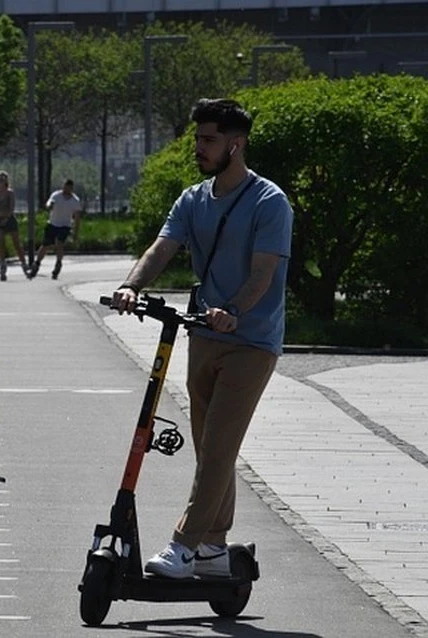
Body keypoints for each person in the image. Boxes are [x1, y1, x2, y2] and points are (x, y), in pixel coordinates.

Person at [111, 98, 293, 579]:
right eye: (197, 139)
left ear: (237, 144)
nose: (199, 148)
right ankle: (214, 548)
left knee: (217, 447)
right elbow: (162, 247)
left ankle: (184, 544)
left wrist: (233, 311)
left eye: (209, 140)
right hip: (202, 333)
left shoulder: (269, 202)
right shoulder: (193, 199)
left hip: (250, 340)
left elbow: (263, 274)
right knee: (212, 447)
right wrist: (132, 285)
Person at [28, 178, 82, 280]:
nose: (66, 189)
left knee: (59, 243)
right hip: (53, 224)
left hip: (65, 225)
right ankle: (36, 265)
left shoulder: (75, 201)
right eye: (65, 187)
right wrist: (49, 206)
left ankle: (58, 264)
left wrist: (75, 232)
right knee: (45, 245)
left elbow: (77, 217)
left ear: (72, 188)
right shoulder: (56, 195)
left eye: (69, 188)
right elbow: (49, 203)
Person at [0, 170, 28, 281]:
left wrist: (6, 218)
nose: (1, 181)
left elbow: (11, 208)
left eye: (3, 179)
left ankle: (24, 264)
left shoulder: (10, 193)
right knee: (1, 242)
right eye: (0, 179)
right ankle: (2, 266)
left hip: (9, 219)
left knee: (16, 243)